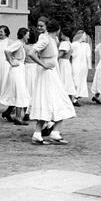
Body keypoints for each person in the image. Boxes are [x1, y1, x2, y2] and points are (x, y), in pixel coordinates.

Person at [27, 17, 76, 145]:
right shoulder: (45, 38)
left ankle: (53, 133)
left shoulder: (52, 39)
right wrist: (43, 64)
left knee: (56, 101)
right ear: (58, 30)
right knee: (50, 101)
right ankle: (40, 134)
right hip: (47, 75)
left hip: (52, 74)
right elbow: (32, 53)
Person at [0, 28, 31, 125]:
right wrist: (11, 62)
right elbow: (7, 50)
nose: (28, 37)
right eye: (27, 35)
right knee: (20, 92)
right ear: (23, 35)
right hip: (16, 69)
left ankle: (8, 112)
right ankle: (18, 118)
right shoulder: (18, 43)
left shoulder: (21, 44)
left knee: (18, 92)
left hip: (19, 69)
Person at [71, 30, 92, 106]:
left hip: (83, 66)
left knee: (81, 81)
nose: (85, 37)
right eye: (84, 35)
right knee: (75, 80)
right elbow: (71, 55)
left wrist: (89, 66)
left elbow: (88, 56)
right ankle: (73, 97)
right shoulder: (74, 44)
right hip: (75, 64)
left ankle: (75, 98)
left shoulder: (86, 45)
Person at [23, 27, 38, 121]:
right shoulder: (36, 47)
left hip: (27, 67)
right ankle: (31, 111)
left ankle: (26, 111)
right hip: (35, 68)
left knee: (27, 89)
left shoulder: (24, 46)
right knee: (33, 90)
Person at [58, 29, 76, 102]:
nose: (61, 36)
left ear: (64, 35)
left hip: (63, 62)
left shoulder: (64, 43)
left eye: (61, 34)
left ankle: (63, 98)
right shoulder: (70, 43)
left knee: (63, 79)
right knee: (67, 79)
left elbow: (61, 54)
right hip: (67, 62)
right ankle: (70, 98)